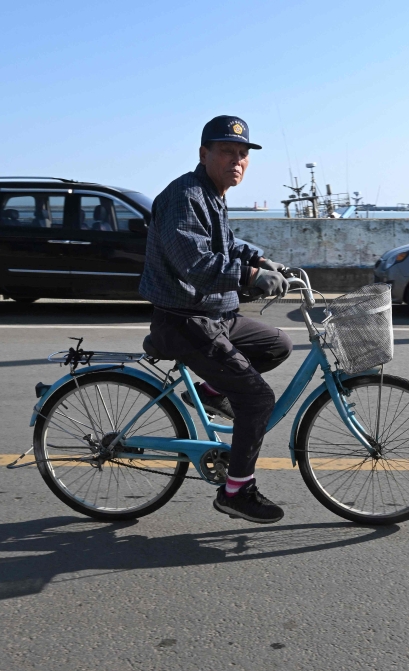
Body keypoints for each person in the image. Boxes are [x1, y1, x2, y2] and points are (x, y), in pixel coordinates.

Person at [139, 115, 293, 524]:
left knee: (278, 344)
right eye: (227, 151)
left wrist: (259, 258)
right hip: (184, 322)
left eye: (243, 154)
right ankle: (237, 491)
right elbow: (196, 262)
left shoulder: (212, 194)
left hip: (215, 316)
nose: (236, 160)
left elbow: (227, 242)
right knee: (256, 398)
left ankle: (209, 390)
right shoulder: (184, 196)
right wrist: (251, 276)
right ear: (204, 153)